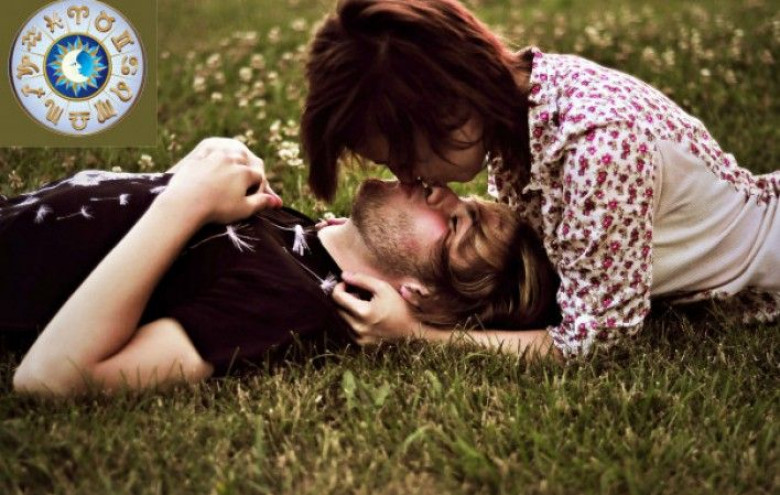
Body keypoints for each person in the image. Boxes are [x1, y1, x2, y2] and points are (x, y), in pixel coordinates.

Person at [301, 0, 779, 359]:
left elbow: (593, 341)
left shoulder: (599, 145)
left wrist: (417, 333)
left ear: (454, 115)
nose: (407, 178)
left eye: (403, 159)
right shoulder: (524, 108)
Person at [2, 138, 557, 396]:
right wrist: (192, 172)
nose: (441, 190)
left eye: (456, 225)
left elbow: (52, 378)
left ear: (418, 293)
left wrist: (186, 200)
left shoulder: (288, 305)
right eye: (462, 199)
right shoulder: (294, 228)